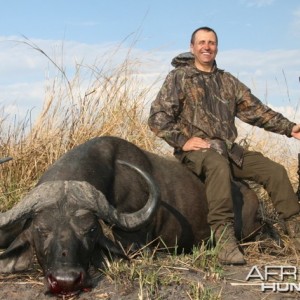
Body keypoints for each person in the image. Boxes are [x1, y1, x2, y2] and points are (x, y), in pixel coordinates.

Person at [148, 26, 300, 265]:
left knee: (275, 171)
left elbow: (257, 111)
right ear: (192, 47)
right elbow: (158, 117)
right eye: (201, 42)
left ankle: (296, 231)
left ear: (216, 47)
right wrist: (183, 141)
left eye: (211, 42)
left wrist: (290, 128)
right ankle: (224, 239)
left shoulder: (227, 81)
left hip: (229, 149)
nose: (206, 47)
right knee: (217, 165)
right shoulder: (179, 77)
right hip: (197, 151)